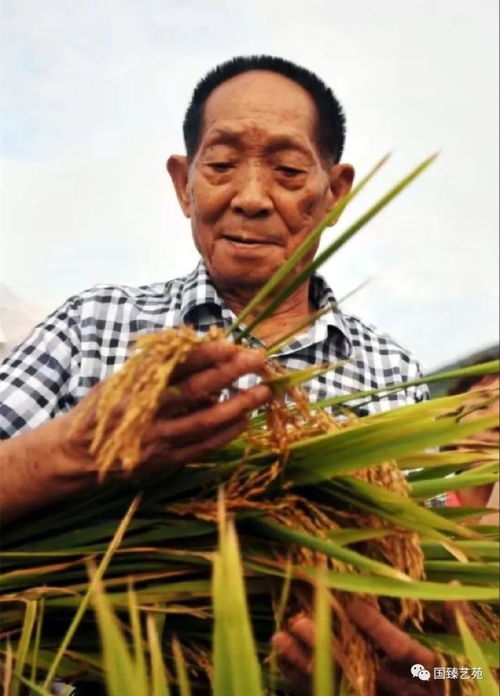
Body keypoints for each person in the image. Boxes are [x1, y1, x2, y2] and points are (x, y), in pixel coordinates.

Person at [1, 55, 437, 695]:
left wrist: (424, 678)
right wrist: (78, 450)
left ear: (335, 192)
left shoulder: (395, 378)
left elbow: (461, 656)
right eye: (222, 165)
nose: (252, 198)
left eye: (288, 171)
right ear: (184, 183)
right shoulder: (93, 327)